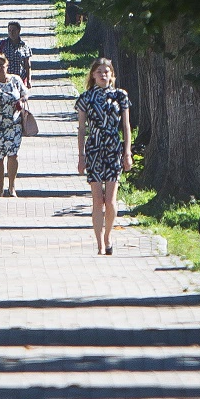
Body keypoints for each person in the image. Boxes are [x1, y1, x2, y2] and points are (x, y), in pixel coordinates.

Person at [75, 56, 132, 254]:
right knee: (97, 200)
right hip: (94, 149)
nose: (103, 75)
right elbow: (82, 129)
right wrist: (81, 156)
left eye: (106, 71)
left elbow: (125, 126)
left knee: (110, 201)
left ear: (112, 75)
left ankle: (108, 235)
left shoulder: (120, 96)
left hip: (113, 149)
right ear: (93, 75)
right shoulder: (86, 98)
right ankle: (99, 241)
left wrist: (127, 152)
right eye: (99, 72)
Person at [0, 52, 28, 197]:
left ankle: (12, 186)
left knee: (13, 154)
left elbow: (25, 93)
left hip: (14, 123)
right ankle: (0, 187)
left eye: (1, 65)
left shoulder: (15, 79)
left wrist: (21, 101)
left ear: (7, 65)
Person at [0, 20, 33, 90]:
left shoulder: (24, 46)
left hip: (20, 80)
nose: (11, 33)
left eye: (14, 30)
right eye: (9, 30)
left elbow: (27, 65)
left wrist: (29, 80)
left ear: (19, 31)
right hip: (4, 80)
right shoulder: (1, 44)